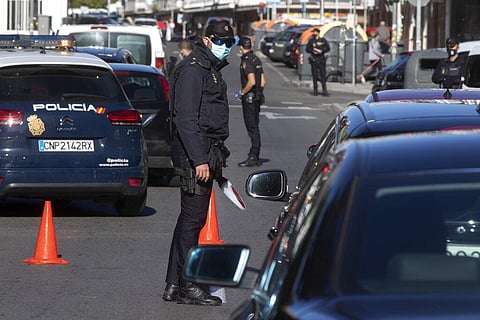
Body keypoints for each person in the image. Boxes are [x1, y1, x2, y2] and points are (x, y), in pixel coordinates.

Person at [163, 20, 234, 306]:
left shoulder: (207, 68)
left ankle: (173, 283)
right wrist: (199, 160)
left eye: (230, 42)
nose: (225, 46)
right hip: (196, 155)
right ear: (206, 40)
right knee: (193, 221)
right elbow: (186, 119)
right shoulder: (194, 70)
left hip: (205, 152)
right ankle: (187, 286)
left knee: (188, 221)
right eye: (220, 40)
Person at [236, 36, 266, 167]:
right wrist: (258, 92)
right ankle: (255, 154)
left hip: (249, 99)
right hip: (257, 97)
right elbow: (263, 81)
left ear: (241, 47)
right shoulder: (256, 59)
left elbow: (252, 81)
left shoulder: (246, 61)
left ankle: (254, 155)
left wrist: (242, 92)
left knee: (252, 127)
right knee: (255, 125)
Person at [306, 28, 330, 96]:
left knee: (323, 76)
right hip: (314, 59)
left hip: (321, 59)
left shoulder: (323, 40)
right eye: (313, 32)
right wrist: (312, 50)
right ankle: (315, 91)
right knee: (315, 76)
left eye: (315, 32)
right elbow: (307, 49)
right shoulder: (311, 41)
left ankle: (324, 91)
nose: (314, 34)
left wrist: (322, 51)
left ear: (318, 33)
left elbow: (328, 48)